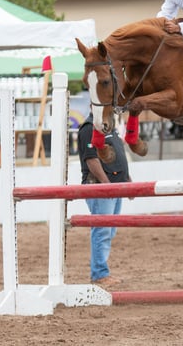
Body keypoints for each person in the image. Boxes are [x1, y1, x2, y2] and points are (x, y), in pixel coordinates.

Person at [77, 112, 131, 288]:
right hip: (102, 188)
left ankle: (100, 272)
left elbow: (118, 155)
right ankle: (99, 273)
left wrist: (126, 181)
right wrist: (107, 185)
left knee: (107, 231)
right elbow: (91, 159)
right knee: (102, 231)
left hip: (110, 186)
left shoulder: (107, 126)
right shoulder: (89, 128)